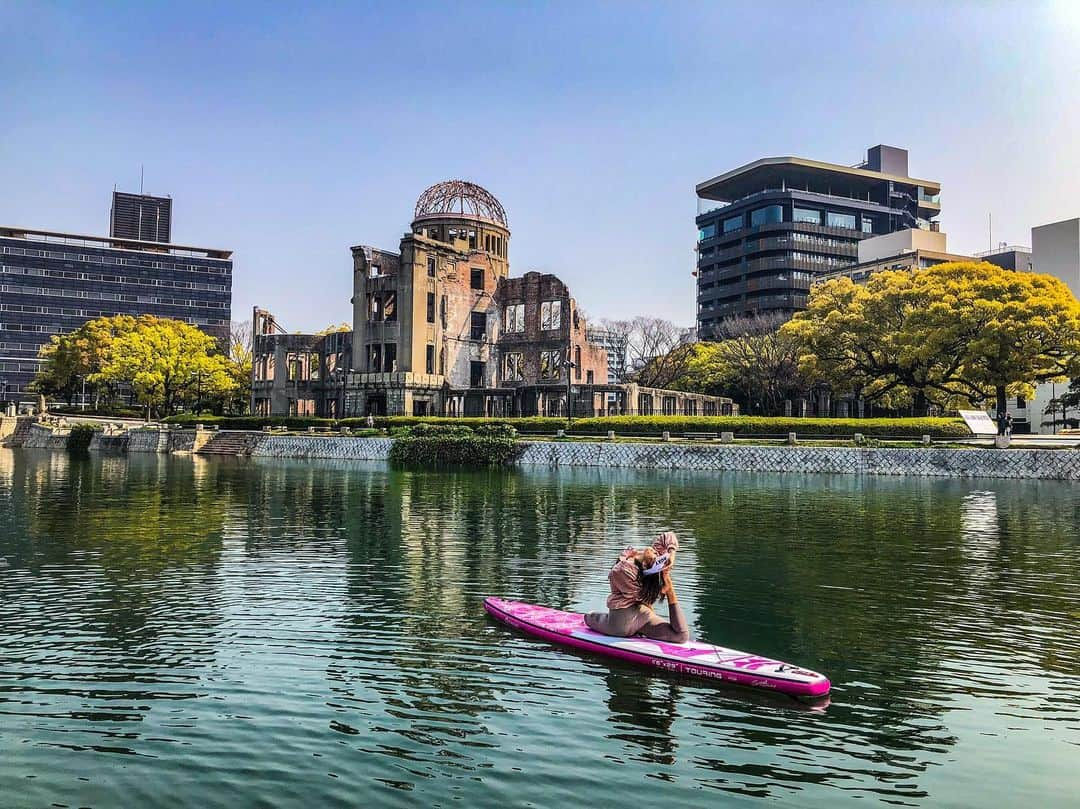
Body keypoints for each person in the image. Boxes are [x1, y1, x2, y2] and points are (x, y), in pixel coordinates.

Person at [585, 531, 690, 643]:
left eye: (656, 556)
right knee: (679, 636)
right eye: (656, 555)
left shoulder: (627, 569)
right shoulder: (636, 567)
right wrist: (670, 555)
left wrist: (671, 556)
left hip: (623, 622)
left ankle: (591, 617)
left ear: (645, 565)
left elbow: (616, 571)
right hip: (637, 616)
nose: (657, 552)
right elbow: (667, 536)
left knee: (588, 617)